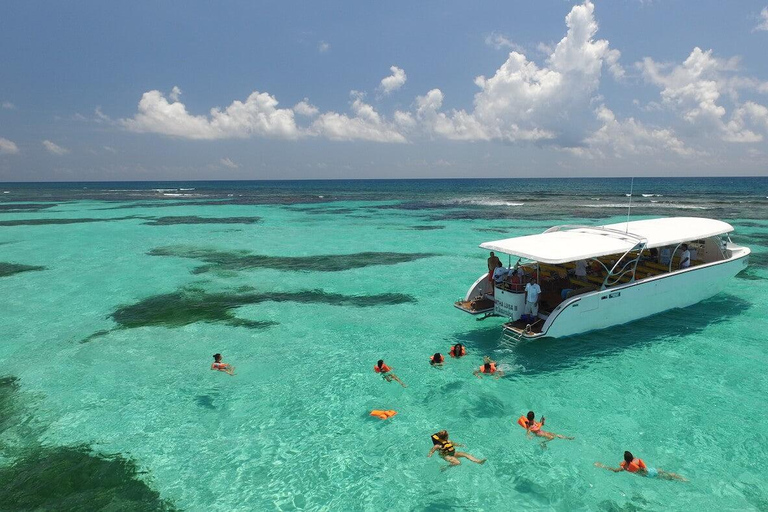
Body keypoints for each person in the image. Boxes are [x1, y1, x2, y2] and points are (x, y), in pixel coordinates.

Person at [595, 451, 687, 481]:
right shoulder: (636, 461)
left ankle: (683, 480)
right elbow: (643, 467)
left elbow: (614, 470)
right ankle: (683, 479)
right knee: (668, 474)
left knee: (669, 477)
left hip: (649, 475)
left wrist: (601, 465)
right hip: (652, 471)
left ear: (625, 460)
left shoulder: (626, 467)